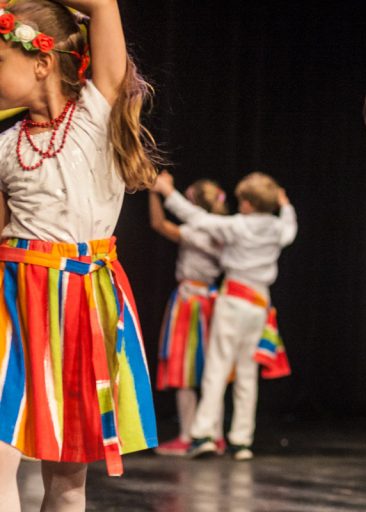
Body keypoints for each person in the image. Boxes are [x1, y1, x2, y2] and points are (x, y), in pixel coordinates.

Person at [0, 0, 161, 509]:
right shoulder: (5, 145)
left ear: (42, 61)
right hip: (10, 306)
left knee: (67, 480)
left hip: (77, 309)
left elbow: (102, 4)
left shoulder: (95, 115)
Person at [152, 170, 296, 461]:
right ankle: (241, 441)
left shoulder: (238, 226)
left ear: (248, 204)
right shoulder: (277, 228)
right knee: (246, 374)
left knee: (217, 368)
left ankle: (203, 433)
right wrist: (286, 205)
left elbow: (197, 218)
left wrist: (167, 191)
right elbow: (290, 228)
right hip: (259, 304)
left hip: (233, 300)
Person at [149, 178, 228, 456]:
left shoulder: (200, 231)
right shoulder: (224, 231)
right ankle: (215, 434)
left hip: (191, 302)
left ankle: (188, 434)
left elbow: (160, 225)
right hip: (212, 301)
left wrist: (155, 193)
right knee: (211, 372)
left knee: (184, 370)